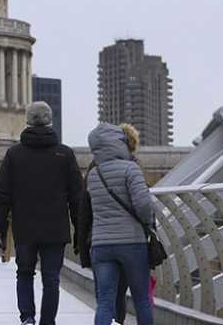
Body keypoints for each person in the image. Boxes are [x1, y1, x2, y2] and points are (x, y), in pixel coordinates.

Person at [0, 102, 82, 325]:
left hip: (25, 226)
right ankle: (47, 321)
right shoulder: (65, 154)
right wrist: (80, 228)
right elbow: (77, 197)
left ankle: (27, 318)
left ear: (27, 121)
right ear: (50, 121)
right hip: (56, 228)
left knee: (24, 273)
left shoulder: (14, 154)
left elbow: (3, 195)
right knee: (51, 279)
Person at [84, 123, 155, 325]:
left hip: (101, 245)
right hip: (132, 242)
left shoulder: (93, 175)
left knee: (105, 302)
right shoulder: (131, 169)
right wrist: (148, 224)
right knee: (142, 299)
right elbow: (143, 205)